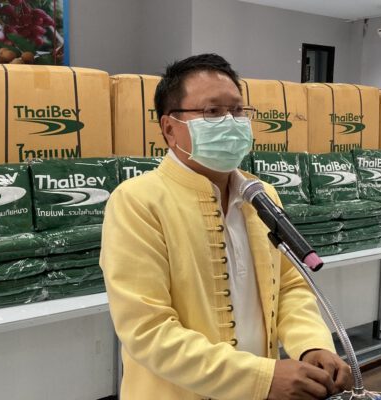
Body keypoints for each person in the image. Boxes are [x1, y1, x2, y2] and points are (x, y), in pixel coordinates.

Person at [100, 53, 352, 400]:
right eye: (212, 111)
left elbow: (289, 285)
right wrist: (261, 378)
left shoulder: (261, 195)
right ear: (170, 128)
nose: (230, 122)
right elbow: (148, 330)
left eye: (237, 110)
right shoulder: (137, 202)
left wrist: (311, 345)